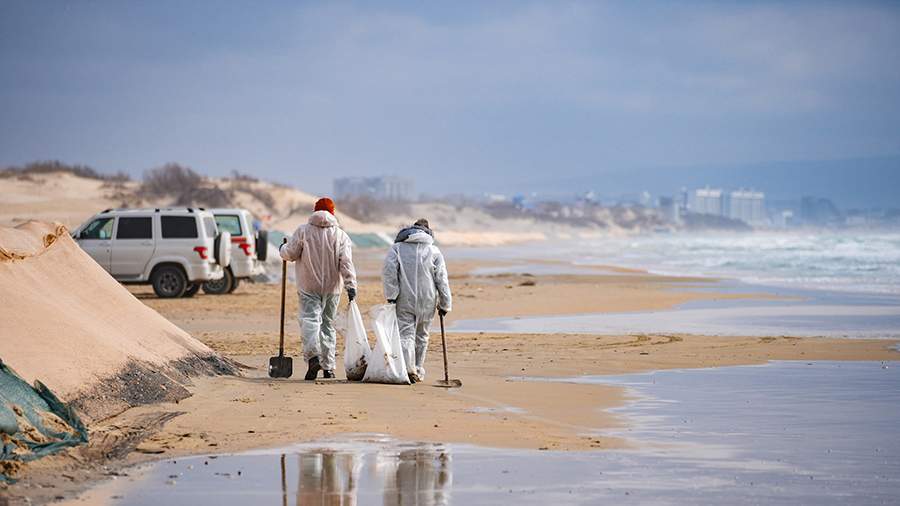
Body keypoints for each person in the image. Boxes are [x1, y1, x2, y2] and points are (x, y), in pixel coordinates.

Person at [280, 197, 357, 380]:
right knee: (328, 325)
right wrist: (351, 285)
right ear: (332, 213)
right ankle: (328, 367)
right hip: (333, 288)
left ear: (315, 211)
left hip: (308, 285)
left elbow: (290, 254)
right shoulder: (340, 235)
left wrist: (282, 248)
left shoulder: (303, 231)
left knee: (310, 321)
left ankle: (313, 356)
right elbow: (346, 263)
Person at [382, 218, 452, 383]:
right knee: (422, 335)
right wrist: (445, 303)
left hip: (404, 298)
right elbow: (442, 279)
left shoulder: (397, 249)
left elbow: (389, 272)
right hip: (427, 299)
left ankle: (408, 369)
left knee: (406, 334)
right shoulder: (434, 251)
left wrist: (391, 295)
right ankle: (418, 368)